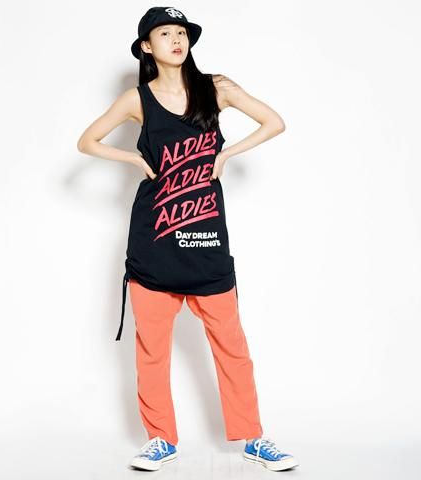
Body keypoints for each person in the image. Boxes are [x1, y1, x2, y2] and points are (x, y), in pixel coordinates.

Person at [77, 6, 299, 473]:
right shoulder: (137, 99)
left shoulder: (216, 88)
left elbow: (274, 122)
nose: (176, 40)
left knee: (231, 344)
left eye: (181, 32)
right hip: (154, 240)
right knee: (152, 349)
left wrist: (226, 155)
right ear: (146, 46)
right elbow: (87, 142)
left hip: (206, 238)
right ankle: (160, 439)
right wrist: (134, 160)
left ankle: (253, 437)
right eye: (165, 33)